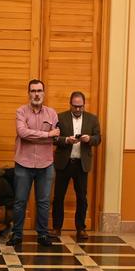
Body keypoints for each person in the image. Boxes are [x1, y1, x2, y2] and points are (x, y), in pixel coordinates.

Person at [8, 79, 60, 248]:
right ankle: (17, 234)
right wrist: (46, 135)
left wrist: (42, 135)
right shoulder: (21, 111)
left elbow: (56, 135)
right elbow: (22, 133)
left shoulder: (52, 113)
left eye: (39, 91)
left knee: (44, 202)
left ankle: (43, 235)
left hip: (46, 164)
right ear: (28, 93)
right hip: (23, 162)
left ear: (44, 93)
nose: (36, 94)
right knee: (20, 201)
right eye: (33, 91)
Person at [53, 90, 101, 241]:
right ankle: (56, 227)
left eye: (81, 106)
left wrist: (89, 139)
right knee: (58, 197)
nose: (78, 109)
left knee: (82, 198)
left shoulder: (92, 119)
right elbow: (54, 138)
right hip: (64, 163)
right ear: (70, 105)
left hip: (81, 164)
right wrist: (66, 140)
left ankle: (81, 228)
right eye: (75, 106)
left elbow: (98, 138)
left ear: (84, 105)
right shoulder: (60, 117)